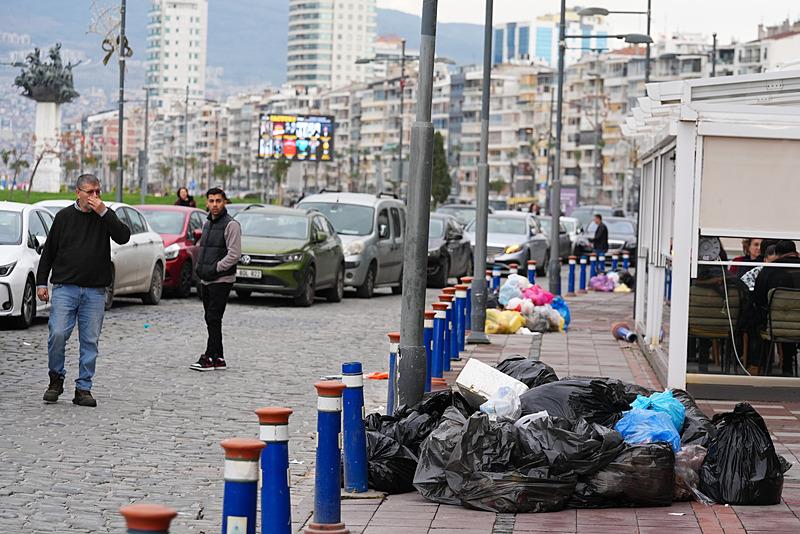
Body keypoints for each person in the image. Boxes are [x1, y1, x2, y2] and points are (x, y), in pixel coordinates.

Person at [37, 174, 131, 407]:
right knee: (57, 334)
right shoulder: (64, 217)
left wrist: (104, 212)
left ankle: (83, 388)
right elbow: (49, 251)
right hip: (65, 288)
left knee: (90, 341)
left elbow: (123, 236)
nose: (95, 197)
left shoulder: (105, 217)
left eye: (98, 191)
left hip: (95, 291)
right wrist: (41, 282)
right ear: (77, 192)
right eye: (90, 192)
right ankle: (55, 378)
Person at [190, 187, 242, 371]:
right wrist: (201, 268)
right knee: (212, 319)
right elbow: (204, 248)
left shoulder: (231, 225)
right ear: (207, 202)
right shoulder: (207, 224)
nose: (214, 205)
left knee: (213, 317)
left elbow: (234, 254)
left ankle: (208, 357)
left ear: (224, 202)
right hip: (206, 280)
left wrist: (215, 268)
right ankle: (218, 358)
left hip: (222, 280)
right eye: (211, 201)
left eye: (218, 201)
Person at [753, 240, 800, 376]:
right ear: (796, 253)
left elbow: (758, 300)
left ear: (777, 255)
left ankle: (764, 367)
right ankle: (787, 367)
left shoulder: (768, 271)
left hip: (774, 327)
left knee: (761, 321)